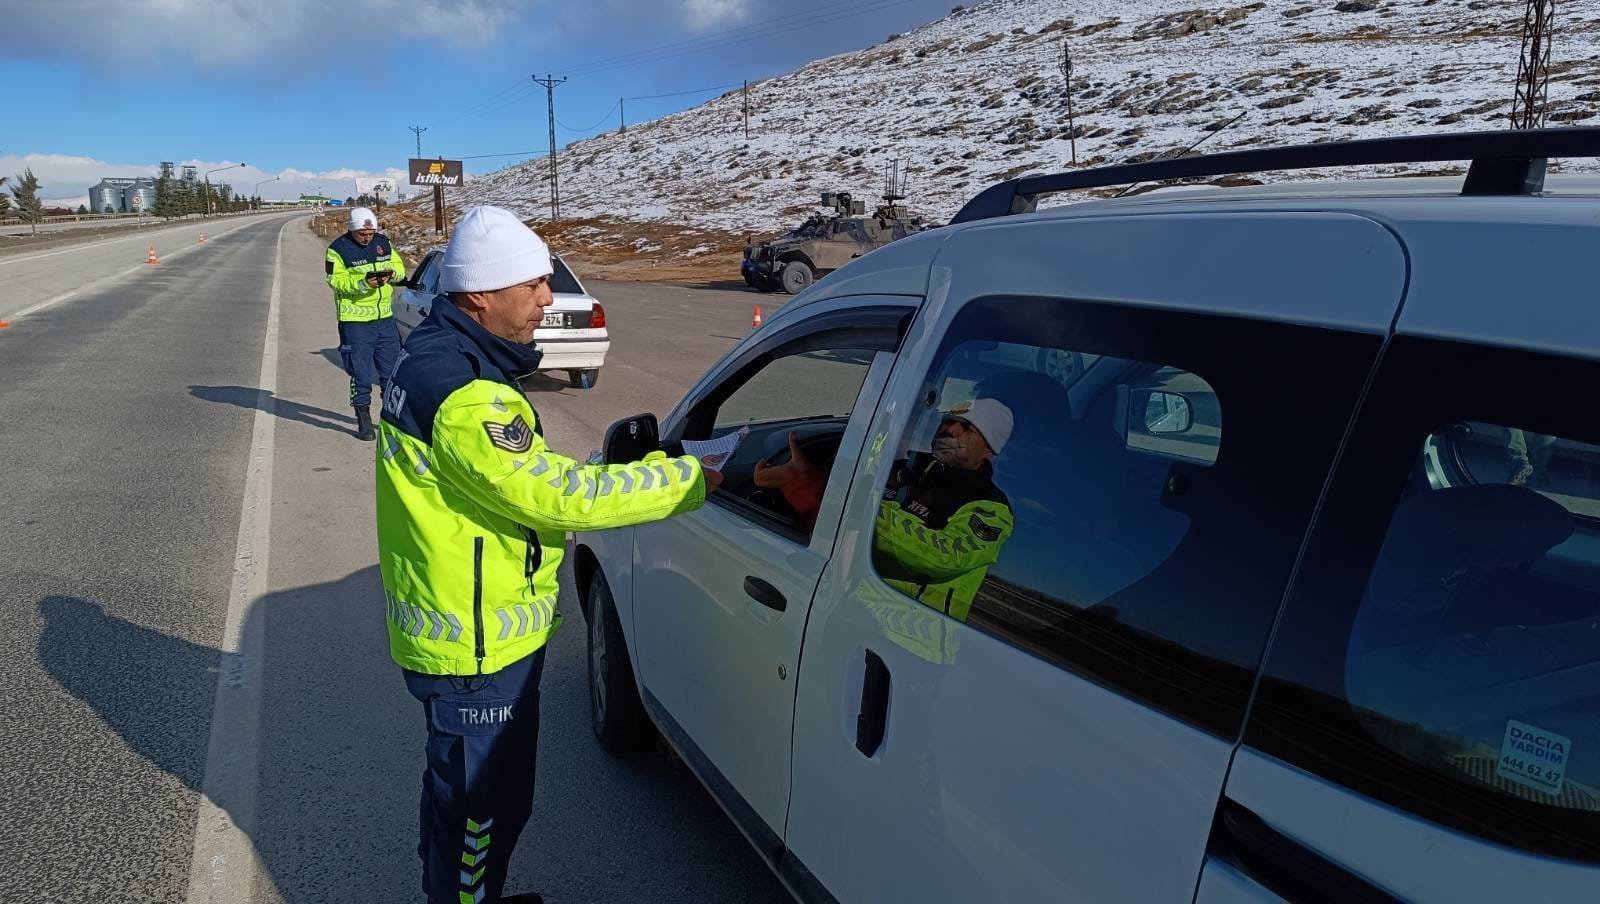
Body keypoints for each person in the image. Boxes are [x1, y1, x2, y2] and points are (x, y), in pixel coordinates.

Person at [374, 205, 721, 904]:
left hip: (469, 636)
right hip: (476, 653)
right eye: (531, 284)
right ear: (480, 295)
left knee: (463, 803)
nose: (546, 297)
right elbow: (556, 497)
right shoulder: (466, 394)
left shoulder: (440, 354)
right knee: (480, 814)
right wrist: (690, 478)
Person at [755, 397, 1015, 621]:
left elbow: (943, 555)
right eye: (949, 420)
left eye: (968, 428)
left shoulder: (991, 508)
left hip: (909, 640)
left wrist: (830, 497)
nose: (951, 429)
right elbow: (850, 498)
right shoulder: (914, 466)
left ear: (989, 450)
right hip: (849, 606)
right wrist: (800, 482)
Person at [326, 206, 405, 440]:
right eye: (362, 234)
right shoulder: (337, 250)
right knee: (360, 374)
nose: (367, 238)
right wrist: (363, 283)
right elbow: (334, 281)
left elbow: (400, 267)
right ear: (352, 230)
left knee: (391, 374)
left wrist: (392, 274)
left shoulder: (383, 243)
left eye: (370, 234)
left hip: (384, 319)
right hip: (356, 322)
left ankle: (391, 421)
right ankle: (363, 419)